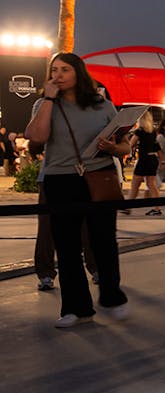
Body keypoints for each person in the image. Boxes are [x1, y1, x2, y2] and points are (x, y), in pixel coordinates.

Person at [24, 52, 131, 327]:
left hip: (98, 176)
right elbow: (37, 137)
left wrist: (113, 148)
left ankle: (112, 298)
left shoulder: (101, 105)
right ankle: (76, 308)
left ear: (78, 73)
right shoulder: (44, 104)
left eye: (65, 70)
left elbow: (125, 146)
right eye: (54, 70)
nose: (58, 75)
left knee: (104, 242)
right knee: (66, 246)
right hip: (60, 180)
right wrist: (49, 99)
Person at [125, 112, 163, 215]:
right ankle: (157, 208)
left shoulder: (139, 131)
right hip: (153, 159)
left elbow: (130, 144)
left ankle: (128, 207)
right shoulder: (153, 131)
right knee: (152, 184)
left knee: (135, 184)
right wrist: (163, 160)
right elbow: (157, 147)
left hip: (144, 159)